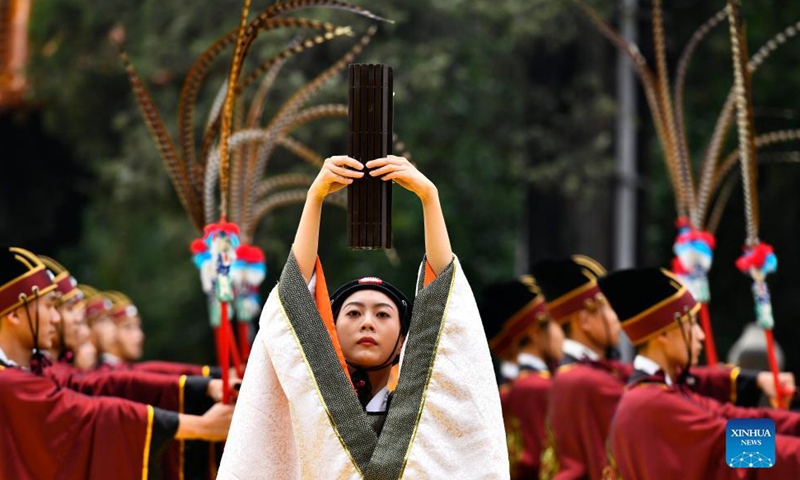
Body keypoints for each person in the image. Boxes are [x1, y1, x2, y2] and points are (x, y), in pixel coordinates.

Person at [219, 155, 508, 479]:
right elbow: (294, 300)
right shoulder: (311, 403)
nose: (367, 322)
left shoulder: (429, 414)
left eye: (383, 314)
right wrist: (315, 198)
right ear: (329, 331)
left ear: (404, 340)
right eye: (354, 312)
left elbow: (445, 305)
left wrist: (430, 197)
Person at [0, 246, 234, 479]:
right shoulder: (8, 381)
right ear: (15, 314)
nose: (56, 318)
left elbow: (106, 384)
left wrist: (204, 384)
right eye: (50, 306)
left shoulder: (33, 371)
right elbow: (91, 413)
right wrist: (199, 425)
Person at [602, 268, 800, 479]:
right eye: (691, 324)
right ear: (663, 335)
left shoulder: (659, 391)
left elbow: (733, 419)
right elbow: (728, 445)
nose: (700, 335)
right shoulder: (650, 401)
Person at [482, 277, 563, 479]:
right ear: (536, 332)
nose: (560, 333)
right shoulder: (537, 387)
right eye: (555, 324)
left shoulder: (518, 386)